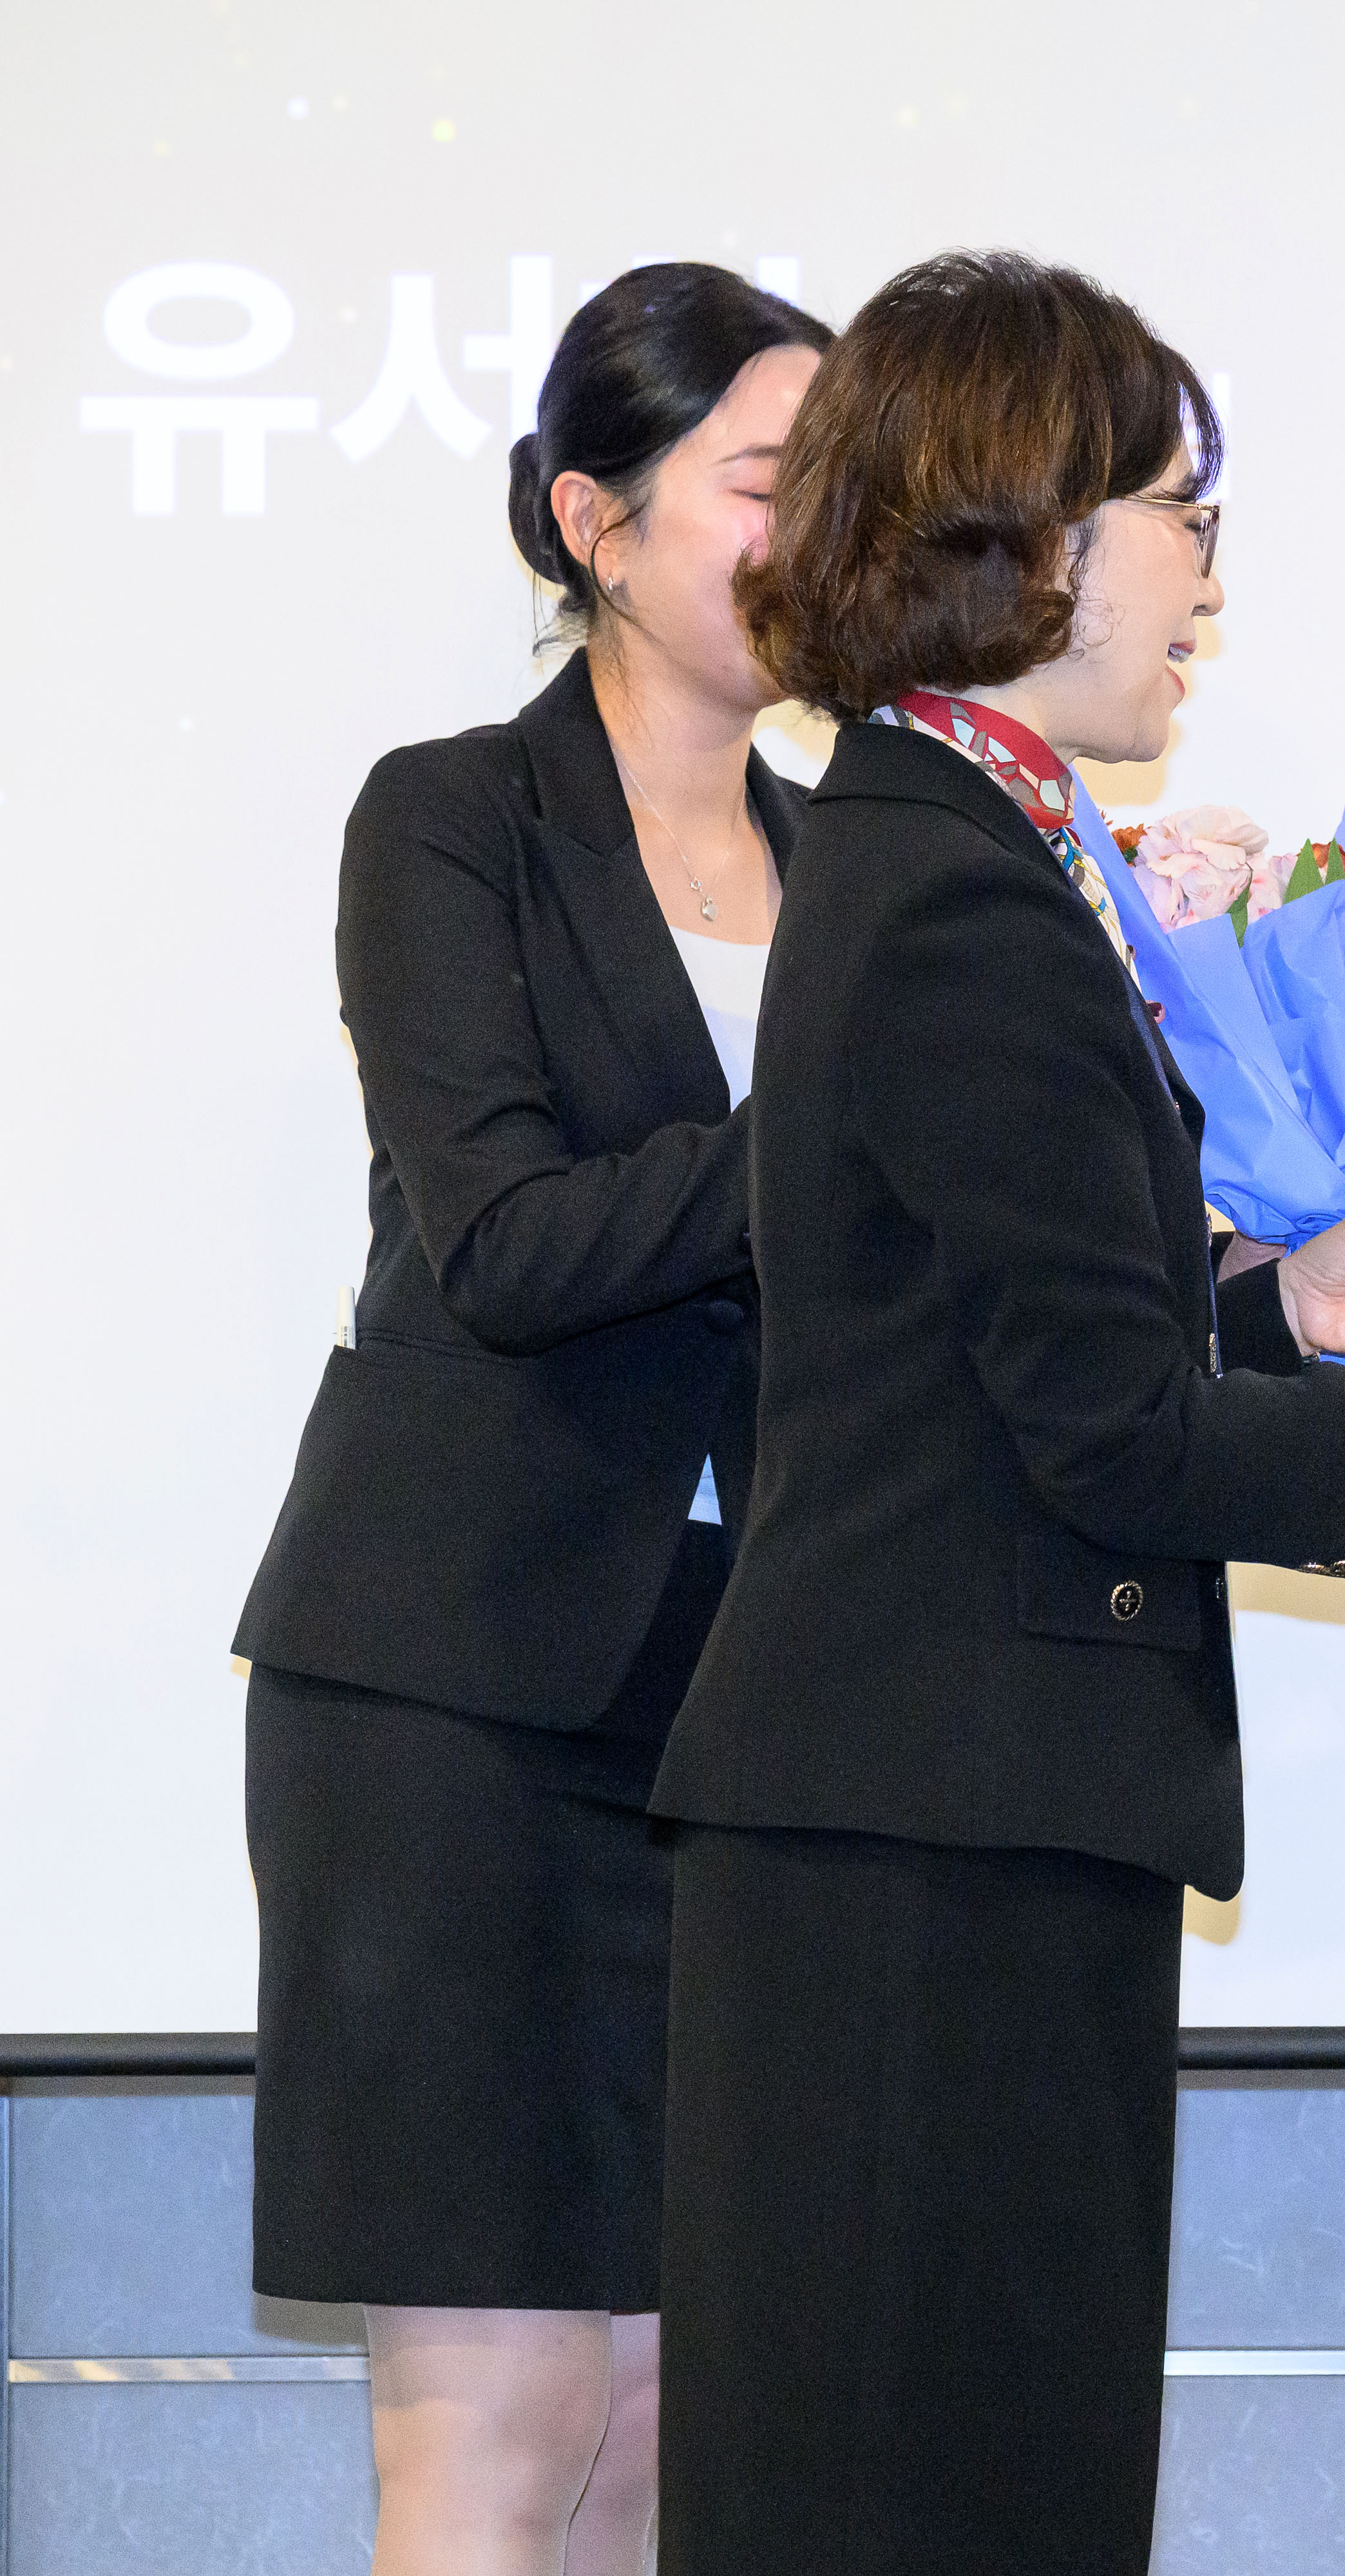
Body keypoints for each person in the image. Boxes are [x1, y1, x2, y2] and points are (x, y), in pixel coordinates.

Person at [652, 250, 1345, 2572]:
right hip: (925, 1837)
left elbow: (1003, 1353)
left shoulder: (967, 846)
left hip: (949, 1817)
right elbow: (1102, 1446)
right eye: (1181, 516)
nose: (1211, 579)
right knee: (925, 2504)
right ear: (1029, 533)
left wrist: (1284, 1311)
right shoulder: (956, 887)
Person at [230, 263, 830, 2576]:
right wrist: (848, 1123)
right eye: (765, 483)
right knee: (498, 2416)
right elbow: (500, 1242)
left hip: (745, 1699)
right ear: (597, 519)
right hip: (458, 1692)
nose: (817, 535)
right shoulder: (453, 820)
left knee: (670, 2415)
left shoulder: (868, 866)